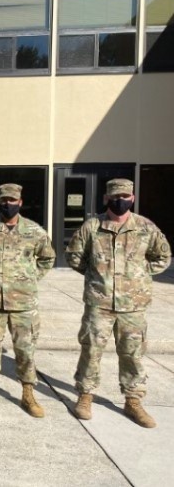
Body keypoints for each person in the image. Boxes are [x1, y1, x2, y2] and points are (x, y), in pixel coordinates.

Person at [66, 178, 171, 428]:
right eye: (115, 196)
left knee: (133, 354)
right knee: (91, 350)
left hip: (133, 305)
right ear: (106, 198)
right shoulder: (92, 226)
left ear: (132, 198)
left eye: (125, 196)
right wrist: (96, 276)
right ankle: (85, 395)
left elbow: (163, 256)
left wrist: (141, 273)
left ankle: (133, 400)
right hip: (99, 303)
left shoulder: (146, 227)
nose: (120, 200)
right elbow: (74, 256)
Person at [0, 183, 55, 417]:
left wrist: (29, 279)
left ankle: (28, 393)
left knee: (25, 349)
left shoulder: (35, 231)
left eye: (13, 200)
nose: (8, 204)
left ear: (20, 202)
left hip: (23, 302)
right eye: (4, 200)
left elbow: (47, 258)